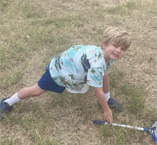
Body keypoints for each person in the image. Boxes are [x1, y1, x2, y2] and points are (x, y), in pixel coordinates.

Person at [0, 27, 131, 124]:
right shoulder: (97, 64)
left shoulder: (107, 55)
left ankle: (108, 98)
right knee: (36, 91)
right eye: (115, 46)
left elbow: (102, 73)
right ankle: (7, 102)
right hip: (59, 71)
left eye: (123, 49)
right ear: (104, 45)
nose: (119, 51)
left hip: (70, 63)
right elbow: (97, 91)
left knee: (104, 75)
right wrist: (106, 110)